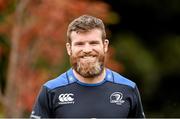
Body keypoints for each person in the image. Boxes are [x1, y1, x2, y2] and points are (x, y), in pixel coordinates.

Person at [30, 15, 145, 118]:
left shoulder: (128, 89)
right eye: (79, 44)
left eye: (93, 43)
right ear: (69, 48)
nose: (87, 50)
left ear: (105, 46)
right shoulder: (51, 90)